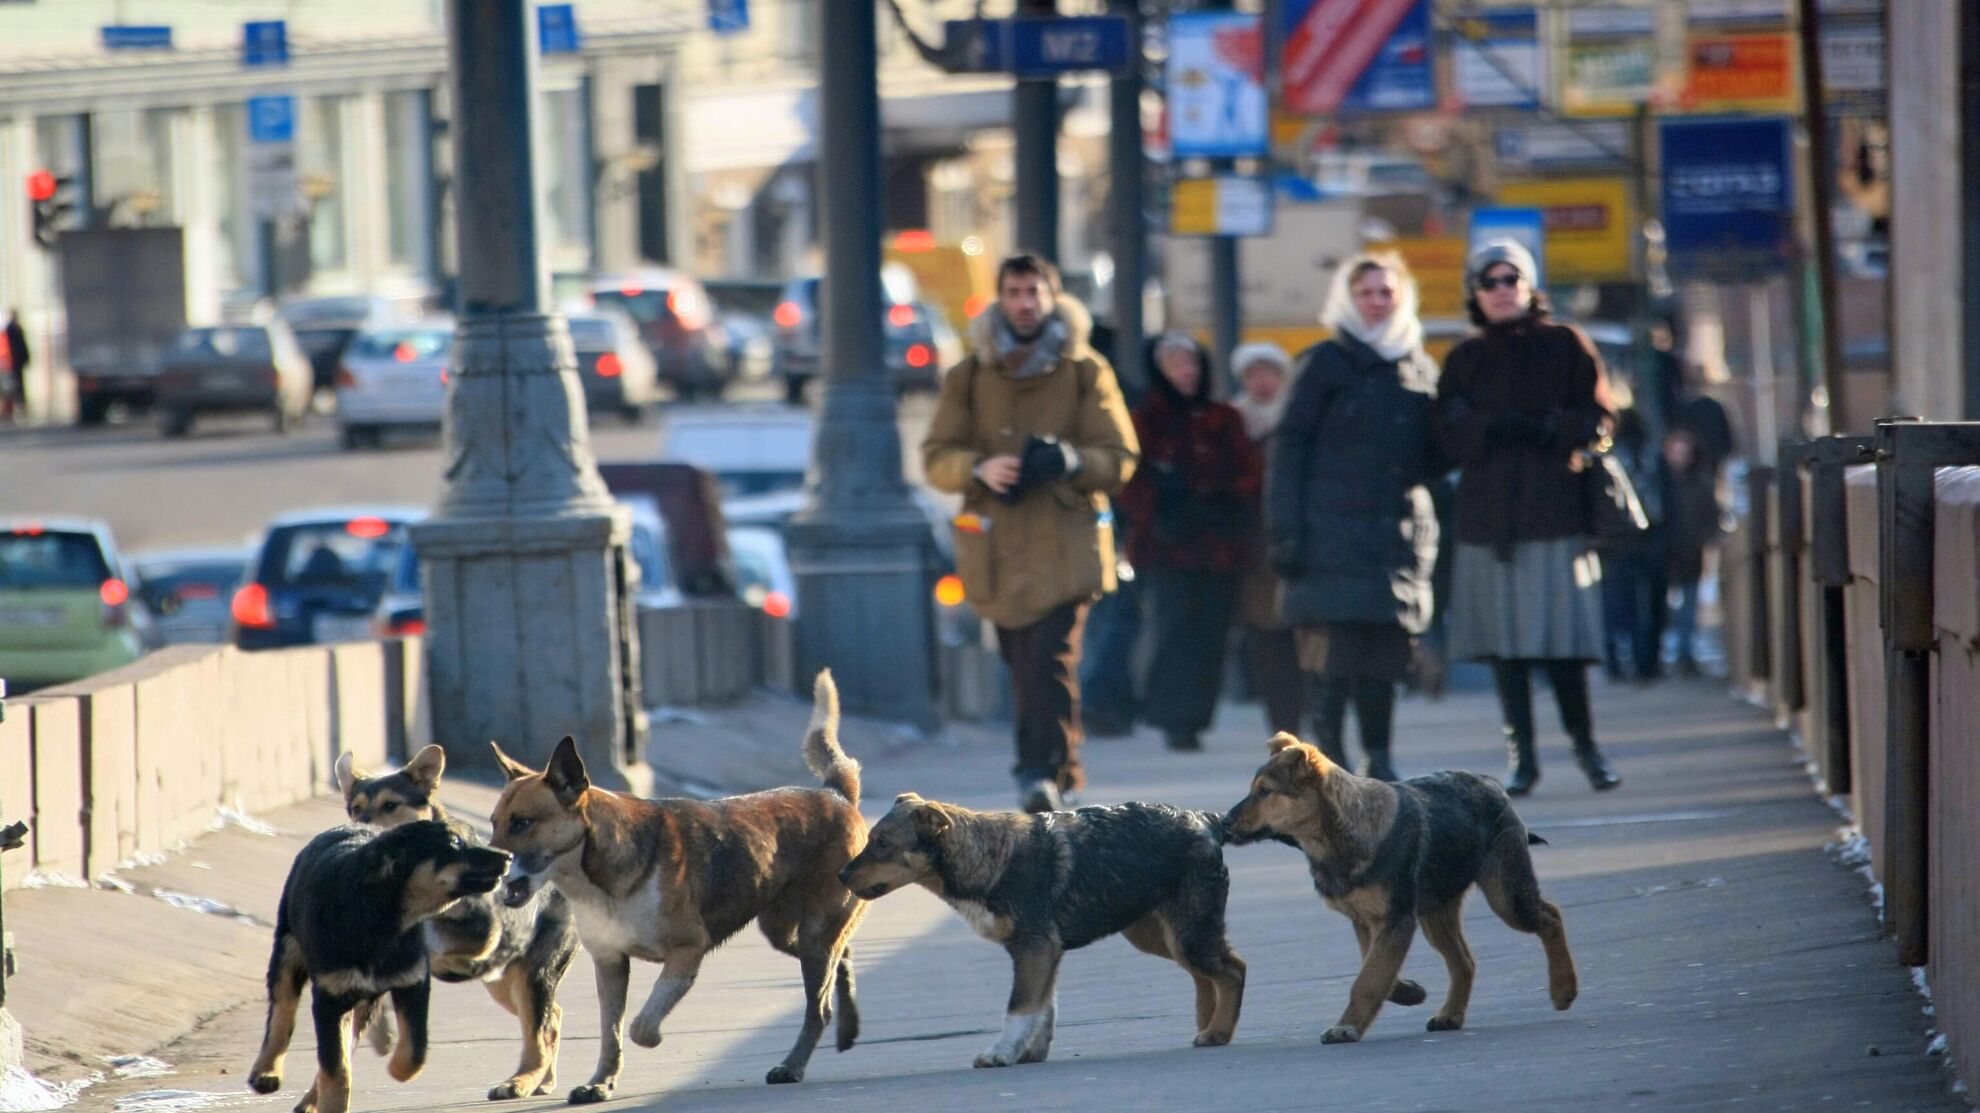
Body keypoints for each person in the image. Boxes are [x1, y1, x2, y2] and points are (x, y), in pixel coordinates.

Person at [923, 253, 1139, 812]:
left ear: (1052, 297)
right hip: (994, 548)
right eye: (1014, 292)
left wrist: (1068, 459)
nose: (1024, 303)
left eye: (1034, 292)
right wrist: (979, 468)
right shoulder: (968, 376)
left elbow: (1120, 457)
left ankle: (1037, 773)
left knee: (1050, 659)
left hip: (1067, 545)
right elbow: (936, 457)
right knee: (1022, 667)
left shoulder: (1085, 369)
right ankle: (1063, 774)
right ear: (999, 299)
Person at [1434, 240, 1621, 795]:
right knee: (1506, 648)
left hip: (1555, 513)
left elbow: (1601, 418)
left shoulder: (1566, 344)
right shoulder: (1464, 358)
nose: (1500, 290)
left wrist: (1548, 427)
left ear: (1529, 285)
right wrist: (1486, 427)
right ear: (1475, 292)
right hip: (1489, 520)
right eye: (1488, 282)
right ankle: (1524, 759)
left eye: (1509, 278)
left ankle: (1587, 749)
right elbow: (1442, 433)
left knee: (1563, 645)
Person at [1269, 252, 1440, 782]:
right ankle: (1329, 763)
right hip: (1327, 536)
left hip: (1394, 536)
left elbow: (1435, 456)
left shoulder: (1418, 365)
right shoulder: (1323, 362)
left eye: (1386, 292)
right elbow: (1288, 450)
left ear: (1402, 297)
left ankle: (1380, 760)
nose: (1376, 302)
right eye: (1365, 292)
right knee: (1331, 660)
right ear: (1348, 298)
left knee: (1384, 660)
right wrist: (1285, 535)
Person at [1117, 333, 1261, 752]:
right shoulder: (1144, 420)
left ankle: (1197, 714)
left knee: (1212, 632)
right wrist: (1157, 511)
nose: (1186, 372)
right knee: (1173, 629)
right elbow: (1130, 479)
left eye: (1192, 364)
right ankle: (1172, 717)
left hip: (1218, 546)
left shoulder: (1223, 418)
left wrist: (1227, 505)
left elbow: (1246, 473)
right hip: (1165, 548)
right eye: (1176, 364)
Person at [1229, 340, 1303, 736]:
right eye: (1254, 373)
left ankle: (1304, 715)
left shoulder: (1298, 419)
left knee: (1303, 636)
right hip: (1254, 547)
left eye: (1269, 372)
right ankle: (1283, 722)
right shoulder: (1232, 422)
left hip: (1297, 540)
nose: (1262, 381)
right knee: (1267, 639)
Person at [1600, 408, 1668, 682]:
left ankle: (1615, 661)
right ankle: (1646, 662)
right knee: (1649, 604)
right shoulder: (1654, 454)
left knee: (1617, 604)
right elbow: (1668, 497)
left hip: (1617, 541)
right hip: (1652, 536)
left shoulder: (1611, 457)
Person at [1663, 427, 1724, 676]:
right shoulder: (1661, 484)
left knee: (1688, 608)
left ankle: (1684, 655)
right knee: (1666, 608)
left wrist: (1704, 541)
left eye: (1684, 453)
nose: (1680, 458)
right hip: (1666, 554)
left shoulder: (1699, 483)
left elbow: (1711, 519)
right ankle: (1670, 654)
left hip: (1690, 554)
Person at [2, 309, 27, 423]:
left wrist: (26, 357)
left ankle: (20, 408)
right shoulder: (9, 330)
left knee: (18, 386)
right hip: (9, 363)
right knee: (10, 387)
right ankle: (9, 410)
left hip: (18, 362)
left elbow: (23, 345)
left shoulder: (18, 329)